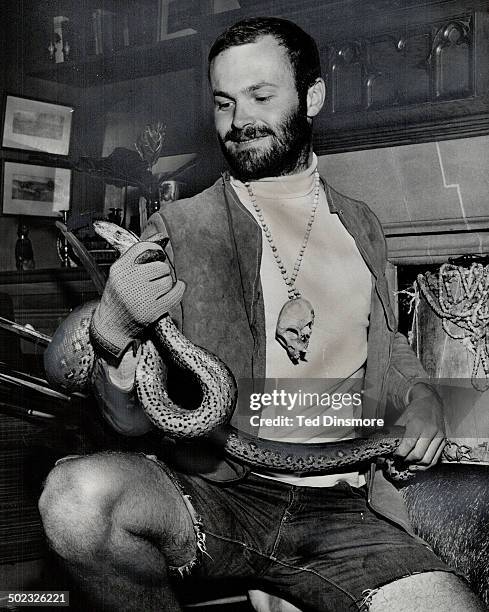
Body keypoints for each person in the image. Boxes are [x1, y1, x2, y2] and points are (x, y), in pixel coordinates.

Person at [38, 17, 484, 612]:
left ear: (313, 97)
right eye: (224, 103)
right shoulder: (180, 227)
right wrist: (116, 340)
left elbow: (386, 342)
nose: (239, 120)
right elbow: (130, 423)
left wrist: (426, 395)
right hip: (223, 494)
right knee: (74, 499)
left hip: (343, 506)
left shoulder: (362, 224)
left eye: (261, 96)